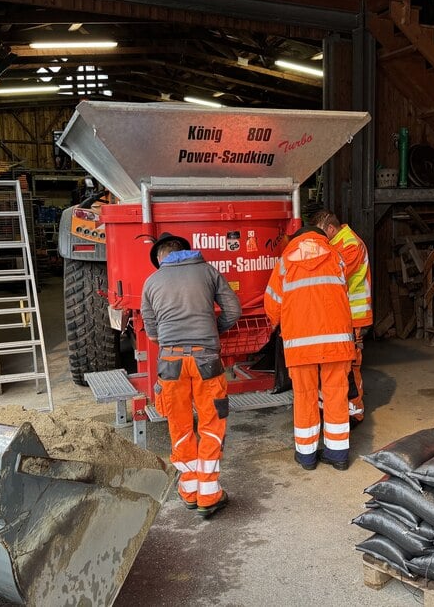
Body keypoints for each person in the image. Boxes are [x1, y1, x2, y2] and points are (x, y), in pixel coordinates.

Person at [141, 232, 242, 518]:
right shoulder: (208, 271)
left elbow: (151, 332)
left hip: (170, 363)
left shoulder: (152, 282)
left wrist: (174, 342)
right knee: (211, 423)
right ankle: (210, 495)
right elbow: (233, 311)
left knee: (180, 426)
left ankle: (189, 491)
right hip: (206, 358)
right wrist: (211, 331)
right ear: (183, 251)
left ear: (161, 258)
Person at [264, 226, 355, 470]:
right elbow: (343, 291)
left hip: (300, 346)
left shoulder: (285, 262)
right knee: (336, 394)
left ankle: (306, 456)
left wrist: (278, 323)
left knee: (305, 398)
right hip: (336, 343)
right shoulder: (336, 256)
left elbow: (272, 304)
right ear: (321, 237)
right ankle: (338, 456)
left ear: (297, 239)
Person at [311, 209, 372, 425]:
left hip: (353, 317)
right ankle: (334, 407)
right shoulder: (338, 243)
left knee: (350, 366)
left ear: (330, 228)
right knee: (335, 366)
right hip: (342, 316)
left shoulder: (349, 245)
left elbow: (335, 274)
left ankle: (354, 411)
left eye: (321, 233)